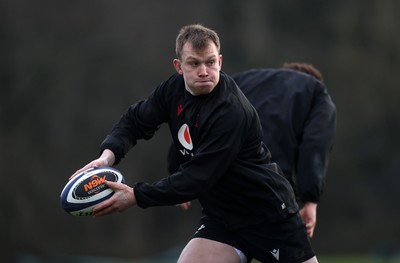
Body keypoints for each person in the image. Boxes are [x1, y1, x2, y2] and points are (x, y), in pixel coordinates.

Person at [71, 24, 319, 263]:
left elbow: (198, 177)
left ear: (220, 61)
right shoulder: (172, 90)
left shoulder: (231, 111)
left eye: (210, 62)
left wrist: (137, 195)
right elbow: (135, 121)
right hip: (222, 218)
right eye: (194, 63)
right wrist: (107, 157)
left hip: (268, 216)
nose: (204, 71)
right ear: (179, 66)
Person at [169, 63, 336, 239]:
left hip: (225, 186)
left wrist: (178, 171)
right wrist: (311, 200)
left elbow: (195, 121)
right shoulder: (316, 92)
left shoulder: (242, 80)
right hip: (270, 188)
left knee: (215, 246)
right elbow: (314, 144)